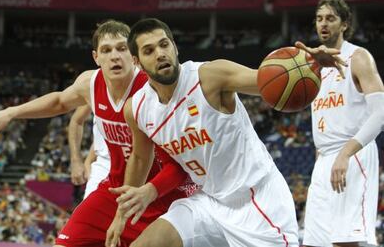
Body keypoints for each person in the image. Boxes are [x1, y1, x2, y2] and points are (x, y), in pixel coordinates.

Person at [105, 18, 345, 247]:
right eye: (149, 51)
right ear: (137, 62)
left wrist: (310, 64)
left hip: (257, 200)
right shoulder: (137, 109)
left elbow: (264, 79)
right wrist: (120, 214)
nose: (160, 54)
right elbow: (139, 157)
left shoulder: (210, 76)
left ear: (175, 47)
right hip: (209, 202)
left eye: (164, 45)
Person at [0, 19, 192, 247]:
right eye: (106, 50)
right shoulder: (90, 83)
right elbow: (58, 101)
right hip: (116, 189)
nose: (115, 56)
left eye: (122, 48)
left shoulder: (152, 88)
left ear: (133, 55)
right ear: (96, 57)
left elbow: (177, 160)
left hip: (161, 193)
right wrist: (10, 113)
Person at [303, 0, 384, 247]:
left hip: (353, 154)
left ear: (345, 24)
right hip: (325, 158)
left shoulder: (358, 57)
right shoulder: (314, 66)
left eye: (330, 18)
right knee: (314, 242)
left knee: (346, 242)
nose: (323, 24)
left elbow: (380, 113)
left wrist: (345, 154)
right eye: (319, 19)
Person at [69, 105, 111, 199]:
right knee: (87, 212)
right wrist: (79, 160)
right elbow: (76, 120)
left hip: (139, 165)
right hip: (104, 165)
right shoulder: (93, 91)